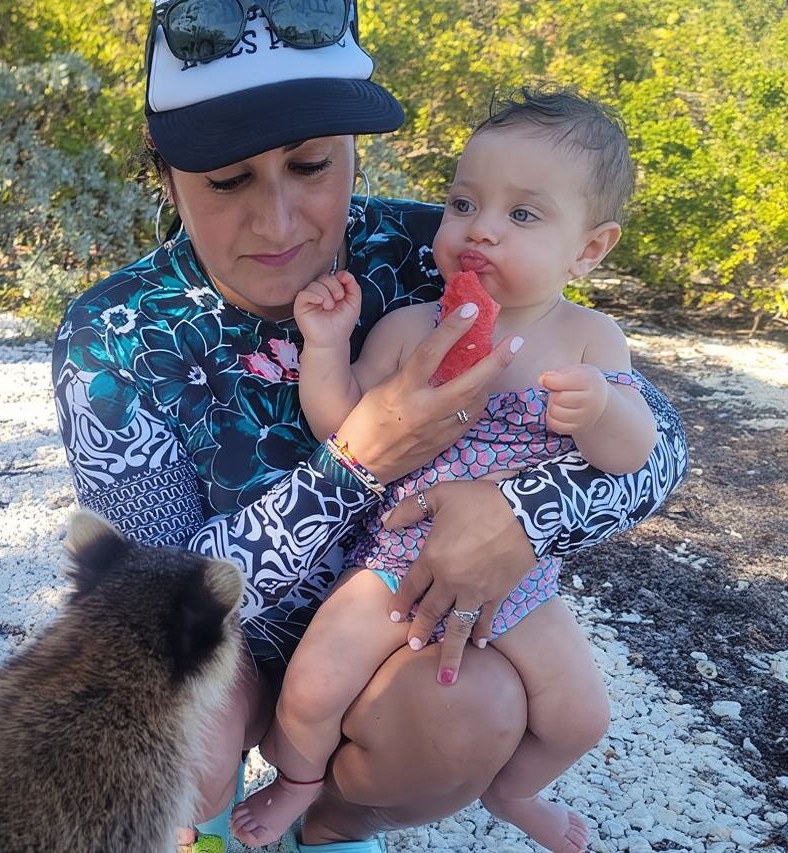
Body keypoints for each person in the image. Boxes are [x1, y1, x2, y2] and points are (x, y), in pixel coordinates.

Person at [50, 1, 689, 850]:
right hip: (240, 637)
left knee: (474, 707)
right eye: (228, 181)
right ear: (165, 176)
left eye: (312, 166)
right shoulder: (111, 340)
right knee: (173, 724)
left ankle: (332, 823)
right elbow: (165, 599)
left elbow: (662, 445)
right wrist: (352, 463)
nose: (279, 223)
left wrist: (520, 517)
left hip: (404, 623)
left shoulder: (443, 248)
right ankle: (205, 824)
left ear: (356, 150)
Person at [229, 88, 657, 853]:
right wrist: (325, 345)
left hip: (518, 576)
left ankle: (515, 790)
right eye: (463, 204)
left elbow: (633, 456)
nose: (481, 229)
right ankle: (296, 781)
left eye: (523, 215)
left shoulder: (592, 340)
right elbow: (341, 423)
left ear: (589, 249)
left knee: (580, 715)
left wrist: (600, 411)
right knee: (314, 685)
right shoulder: (410, 325)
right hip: (393, 557)